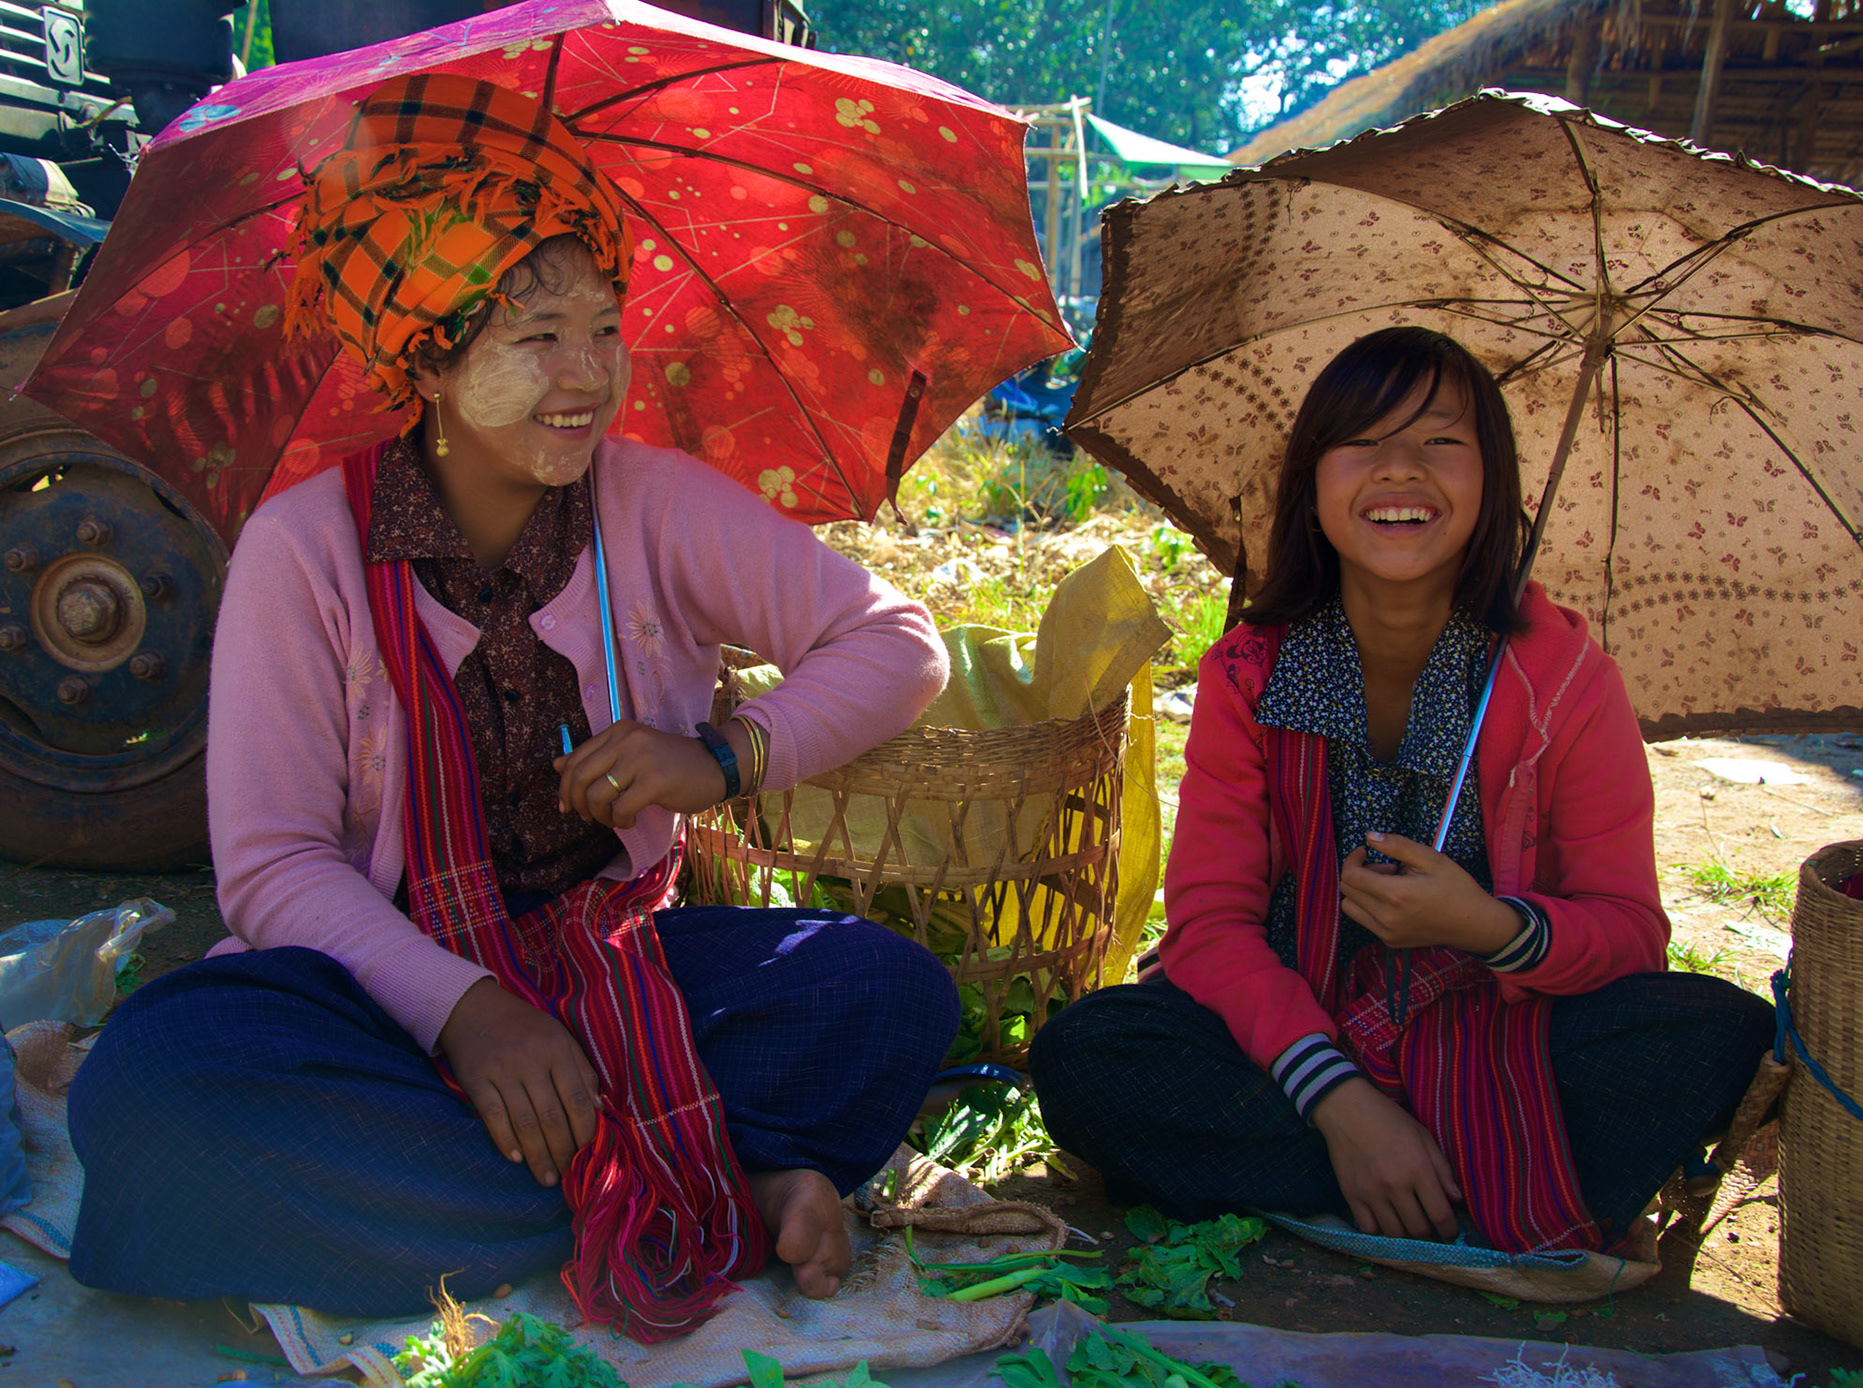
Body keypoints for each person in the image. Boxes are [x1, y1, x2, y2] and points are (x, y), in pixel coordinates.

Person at [64, 75, 958, 1332]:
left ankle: (514, 1194)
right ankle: (696, 1183)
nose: (587, 373)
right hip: (380, 992)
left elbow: (899, 643)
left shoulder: (652, 504)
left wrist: (721, 757)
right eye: (536, 337)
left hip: (619, 970)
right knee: (156, 1081)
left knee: (884, 994)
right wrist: (468, 1013)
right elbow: (271, 868)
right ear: (425, 353)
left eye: (605, 326)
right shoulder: (302, 548)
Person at [1029, 326, 1774, 1256]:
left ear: (1493, 482)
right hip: (1295, 1038)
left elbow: (1629, 933)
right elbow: (1211, 927)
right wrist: (1344, 1102)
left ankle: (1365, 1181)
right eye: (1362, 441)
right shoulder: (1250, 674)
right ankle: (1470, 1175)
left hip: (1503, 1040)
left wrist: (1486, 926)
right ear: (1312, 483)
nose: (1400, 469)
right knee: (1086, 1054)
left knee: (1723, 1032)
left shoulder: (1565, 681)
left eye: (1441, 441)